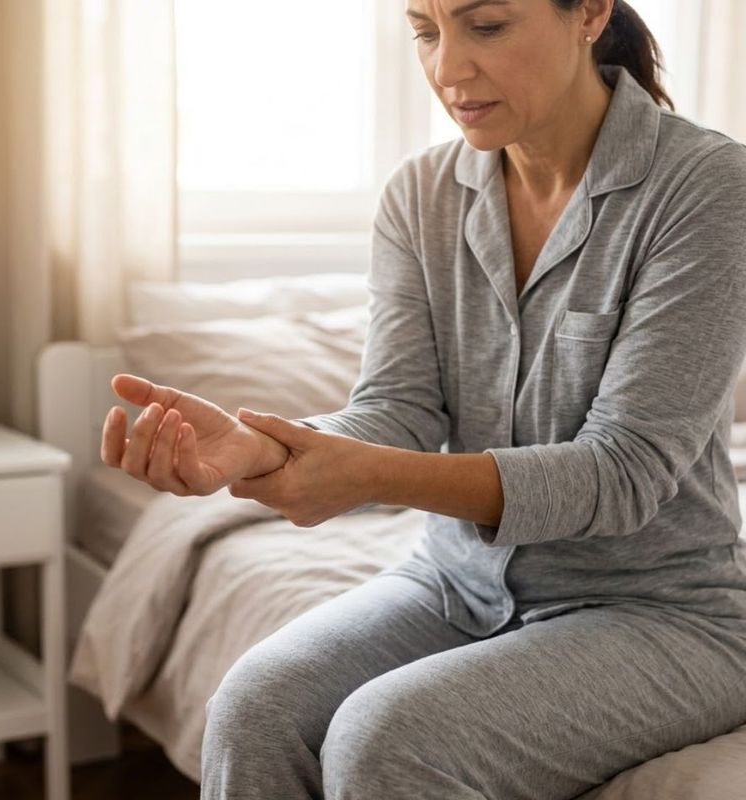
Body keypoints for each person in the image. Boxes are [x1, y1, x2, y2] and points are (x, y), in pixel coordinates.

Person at [101, 0, 746, 797]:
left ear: (588, 13)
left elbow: (624, 472)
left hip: (661, 611)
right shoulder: (422, 194)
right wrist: (264, 447)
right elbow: (397, 408)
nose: (447, 69)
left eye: (487, 26)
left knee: (388, 739)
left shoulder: (706, 185)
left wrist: (370, 475)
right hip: (455, 581)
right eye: (425, 31)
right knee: (253, 706)